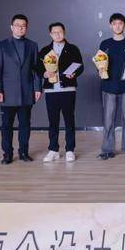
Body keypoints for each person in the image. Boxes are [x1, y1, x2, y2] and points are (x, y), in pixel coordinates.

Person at [0, 14, 41, 164]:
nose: (20, 28)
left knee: (25, 125)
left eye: (23, 26)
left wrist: (37, 88)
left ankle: (23, 152)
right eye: (17, 25)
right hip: (7, 93)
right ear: (11, 27)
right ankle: (7, 154)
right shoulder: (2, 45)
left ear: (26, 28)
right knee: (6, 126)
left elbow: (36, 70)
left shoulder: (32, 45)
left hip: (26, 92)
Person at [36, 22, 84, 163]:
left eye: (60, 32)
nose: (57, 34)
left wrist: (74, 74)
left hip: (68, 90)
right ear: (50, 34)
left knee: (69, 120)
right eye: (54, 32)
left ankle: (70, 150)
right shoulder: (45, 50)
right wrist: (44, 74)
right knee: (53, 121)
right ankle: (53, 150)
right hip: (51, 91)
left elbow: (80, 66)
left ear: (64, 32)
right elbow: (37, 67)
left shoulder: (72, 49)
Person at [97, 13, 125, 160]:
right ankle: (107, 150)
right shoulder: (105, 44)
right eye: (114, 23)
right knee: (108, 120)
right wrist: (100, 70)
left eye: (120, 23)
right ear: (110, 26)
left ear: (124, 25)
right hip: (109, 86)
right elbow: (99, 63)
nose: (117, 26)